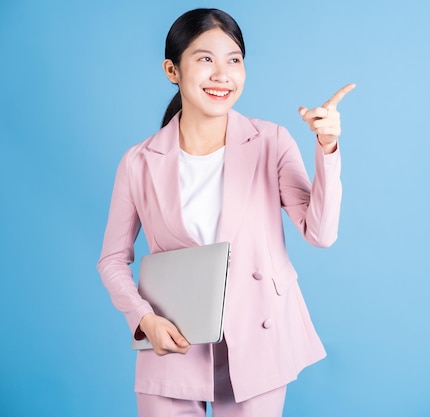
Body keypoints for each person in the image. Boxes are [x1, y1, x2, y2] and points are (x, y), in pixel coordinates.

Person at [97, 7, 355, 417]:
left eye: (234, 60)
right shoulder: (139, 161)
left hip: (257, 342)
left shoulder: (270, 140)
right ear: (172, 70)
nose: (223, 75)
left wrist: (327, 150)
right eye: (205, 59)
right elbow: (112, 260)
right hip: (173, 344)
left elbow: (320, 233)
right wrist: (144, 319)